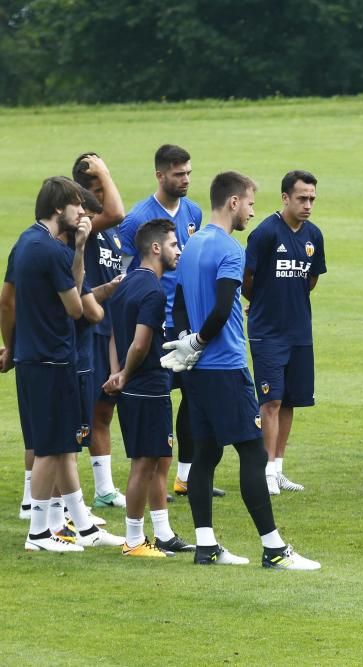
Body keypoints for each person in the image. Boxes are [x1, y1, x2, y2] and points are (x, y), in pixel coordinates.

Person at [168, 170, 319, 569]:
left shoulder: (192, 243)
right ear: (233, 202)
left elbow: (181, 301)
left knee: (205, 454)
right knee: (254, 455)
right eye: (250, 203)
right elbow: (221, 308)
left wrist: (186, 341)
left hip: (196, 370)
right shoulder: (229, 250)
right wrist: (200, 341)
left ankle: (206, 545)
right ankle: (273, 549)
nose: (253, 211)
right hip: (225, 366)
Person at [14, 176, 123, 552]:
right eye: (77, 204)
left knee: (60, 446)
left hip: (32, 356)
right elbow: (77, 307)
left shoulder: (27, 242)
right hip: (52, 359)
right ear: (59, 207)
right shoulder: (49, 250)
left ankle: (77, 526)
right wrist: (78, 254)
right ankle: (40, 533)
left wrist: (78, 247)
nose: (82, 212)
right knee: (49, 448)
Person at [119, 144, 224, 499]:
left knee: (193, 399)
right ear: (160, 175)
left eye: (189, 173)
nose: (186, 180)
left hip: (186, 323)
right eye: (179, 174)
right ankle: (152, 480)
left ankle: (185, 476)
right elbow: (123, 276)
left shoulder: (193, 211)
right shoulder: (137, 218)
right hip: (152, 324)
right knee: (159, 400)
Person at [104, 218, 193, 556]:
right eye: (173, 244)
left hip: (133, 385)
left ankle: (162, 533)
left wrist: (116, 372)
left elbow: (114, 334)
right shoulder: (154, 291)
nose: (178, 250)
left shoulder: (125, 283)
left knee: (158, 458)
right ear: (156, 248)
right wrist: (125, 374)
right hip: (147, 385)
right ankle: (134, 540)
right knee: (144, 462)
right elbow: (141, 344)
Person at [243, 170, 326, 495]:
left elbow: (312, 278)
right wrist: (262, 301)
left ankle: (278, 468)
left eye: (312, 199)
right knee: (271, 400)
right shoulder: (265, 233)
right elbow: (247, 278)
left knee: (290, 400)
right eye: (302, 198)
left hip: (299, 331)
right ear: (285, 198)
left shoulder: (314, 236)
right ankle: (264, 471)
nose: (308, 205)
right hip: (268, 332)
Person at [73, 152, 129, 507]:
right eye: (95, 190)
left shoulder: (112, 237)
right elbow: (118, 212)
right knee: (83, 415)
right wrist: (105, 172)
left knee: (104, 411)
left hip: (110, 331)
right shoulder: (84, 228)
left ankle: (104, 489)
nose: (102, 197)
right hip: (88, 330)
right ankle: (49, 496)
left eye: (104, 188)